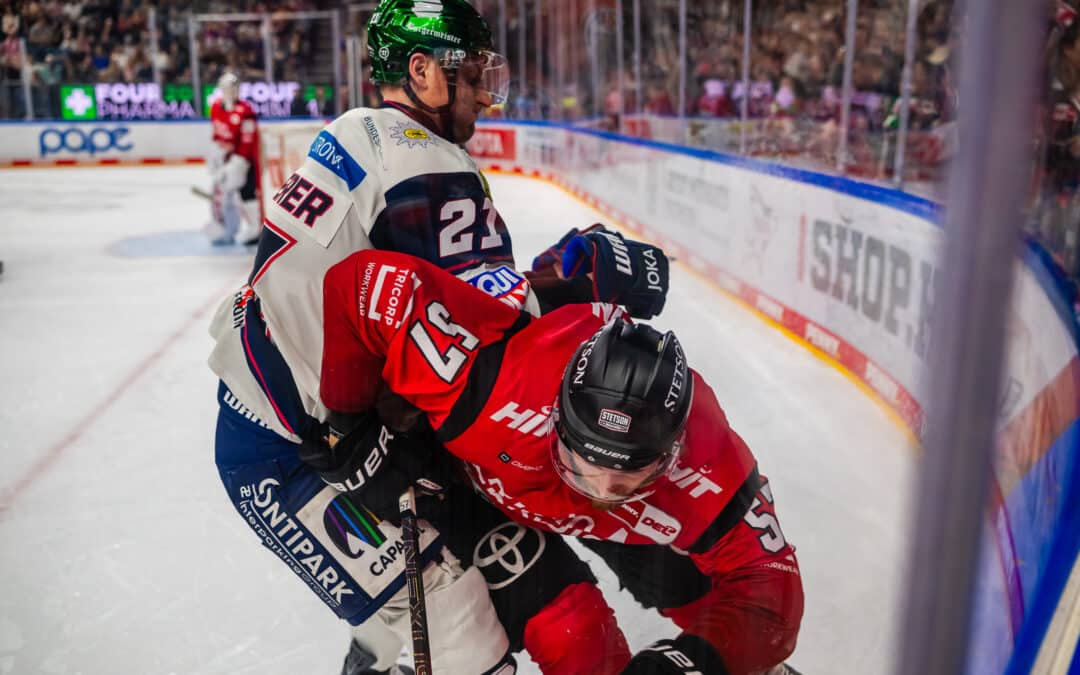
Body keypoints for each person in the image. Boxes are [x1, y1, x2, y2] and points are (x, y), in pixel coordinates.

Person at [207, 0, 668, 672]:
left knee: (426, 618)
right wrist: (584, 277)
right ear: (421, 71)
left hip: (308, 427)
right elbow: (485, 326)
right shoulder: (425, 165)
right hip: (294, 457)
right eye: (472, 71)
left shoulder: (356, 130)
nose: (484, 90)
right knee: (466, 638)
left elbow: (418, 306)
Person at [319, 248, 806, 675]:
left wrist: (695, 663)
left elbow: (771, 588)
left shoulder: (710, 458)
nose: (601, 486)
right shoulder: (487, 381)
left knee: (703, 601)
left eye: (630, 469)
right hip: (475, 489)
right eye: (584, 458)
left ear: (672, 452)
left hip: (592, 506)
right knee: (578, 634)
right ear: (555, 418)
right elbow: (358, 282)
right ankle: (375, 647)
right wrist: (349, 422)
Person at [205, 71, 263, 246]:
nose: (232, 92)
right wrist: (214, 156)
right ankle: (226, 229)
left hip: (244, 161)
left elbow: (248, 138)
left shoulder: (245, 111)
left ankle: (255, 229)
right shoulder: (215, 107)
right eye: (228, 88)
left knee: (247, 194)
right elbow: (216, 133)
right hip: (224, 160)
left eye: (234, 88)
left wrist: (241, 161)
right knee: (220, 196)